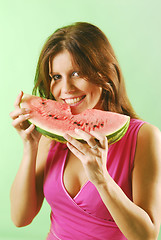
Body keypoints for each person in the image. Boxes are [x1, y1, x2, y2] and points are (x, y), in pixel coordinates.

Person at [9, 22, 161, 240]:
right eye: (56, 77)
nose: (66, 89)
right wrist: (29, 146)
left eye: (77, 73)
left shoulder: (144, 137)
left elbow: (147, 236)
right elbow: (19, 218)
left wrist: (102, 180)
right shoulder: (50, 139)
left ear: (105, 72)